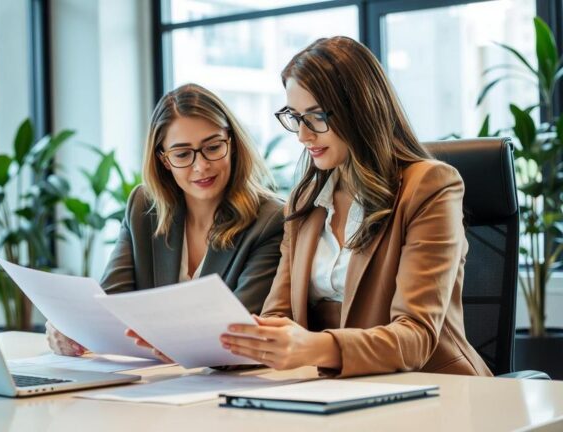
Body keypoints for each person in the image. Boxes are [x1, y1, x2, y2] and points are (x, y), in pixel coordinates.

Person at [220, 36, 492, 377]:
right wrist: (213, 345)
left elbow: (416, 337)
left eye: (316, 117)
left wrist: (312, 347)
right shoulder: (306, 201)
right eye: (295, 116)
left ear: (360, 109)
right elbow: (279, 317)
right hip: (331, 389)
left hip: (430, 388)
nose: (303, 136)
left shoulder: (430, 186)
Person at [47, 83, 285, 359]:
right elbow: (111, 304)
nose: (201, 166)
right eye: (183, 154)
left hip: (224, 382)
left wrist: (169, 341)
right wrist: (71, 327)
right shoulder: (143, 207)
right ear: (164, 159)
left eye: (213, 147)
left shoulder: (269, 219)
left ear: (232, 143)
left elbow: (242, 328)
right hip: (152, 383)